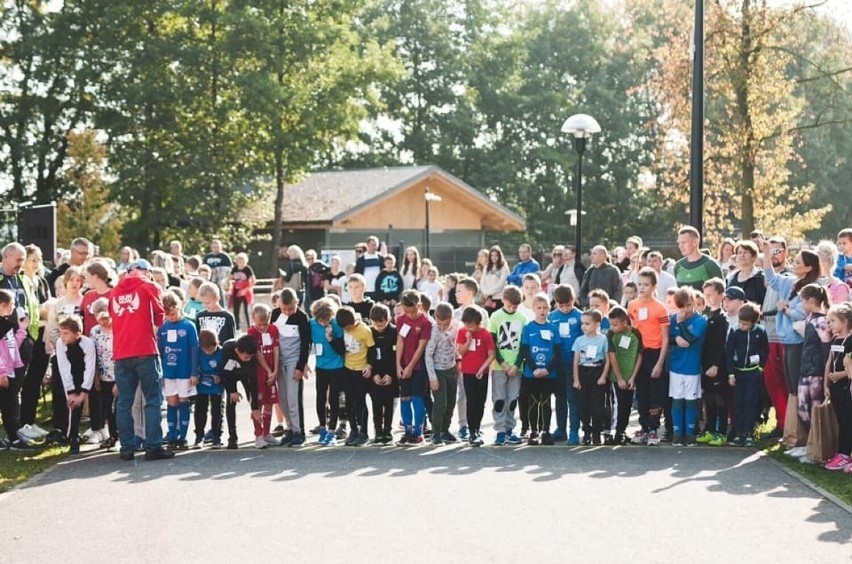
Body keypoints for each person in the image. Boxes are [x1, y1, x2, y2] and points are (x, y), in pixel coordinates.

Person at [109, 259, 173, 461]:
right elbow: (160, 315)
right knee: (153, 400)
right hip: (145, 349)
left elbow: (114, 317)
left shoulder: (115, 291)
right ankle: (153, 446)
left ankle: (127, 448)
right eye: (149, 272)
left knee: (124, 403)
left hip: (121, 352)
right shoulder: (149, 286)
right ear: (144, 271)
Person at [762, 243, 820, 451]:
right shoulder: (790, 283)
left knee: (797, 388)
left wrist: (785, 309)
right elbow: (772, 279)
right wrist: (767, 255)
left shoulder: (812, 288)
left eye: (798, 262)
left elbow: (803, 315)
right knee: (790, 387)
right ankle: (792, 434)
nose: (793, 264)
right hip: (786, 340)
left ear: (809, 268)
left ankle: (801, 437)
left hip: (798, 342)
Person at [628, 267, 670, 446]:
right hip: (639, 353)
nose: (642, 288)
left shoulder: (660, 308)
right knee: (642, 392)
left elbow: (665, 337)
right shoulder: (632, 305)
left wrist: (660, 363)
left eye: (646, 285)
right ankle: (644, 427)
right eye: (639, 284)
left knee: (655, 393)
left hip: (655, 352)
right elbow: (631, 330)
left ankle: (653, 428)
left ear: (654, 286)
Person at [44, 267, 85, 444]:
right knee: (60, 390)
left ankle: (74, 428)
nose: (75, 284)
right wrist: (60, 343)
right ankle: (60, 426)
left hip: (81, 353)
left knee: (77, 389)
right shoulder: (58, 304)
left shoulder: (84, 301)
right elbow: (51, 328)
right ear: (65, 282)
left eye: (79, 280)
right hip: (61, 351)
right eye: (72, 280)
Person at [158, 291, 199, 450]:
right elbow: (160, 351)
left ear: (179, 307)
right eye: (168, 315)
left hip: (184, 372)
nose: (171, 317)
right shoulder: (163, 327)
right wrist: (160, 373)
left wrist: (194, 373)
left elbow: (194, 350)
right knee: (171, 402)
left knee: (184, 402)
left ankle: (183, 436)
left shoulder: (189, 326)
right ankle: (172, 435)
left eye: (173, 313)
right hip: (168, 373)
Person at [271, 287, 311, 447]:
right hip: (278, 360)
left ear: (297, 302)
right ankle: (289, 428)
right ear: (279, 303)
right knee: (282, 398)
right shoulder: (274, 314)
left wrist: (300, 367)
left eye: (291, 309)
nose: (287, 312)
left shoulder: (302, 317)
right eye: (284, 309)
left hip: (294, 360)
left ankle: (298, 431)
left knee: (293, 397)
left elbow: (306, 344)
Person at [760, 237, 791, 436]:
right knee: (771, 381)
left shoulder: (788, 277)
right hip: (768, 334)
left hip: (782, 336)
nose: (774, 255)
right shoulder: (769, 277)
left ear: (786, 252)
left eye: (778, 251)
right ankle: (781, 422)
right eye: (770, 252)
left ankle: (788, 425)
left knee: (784, 381)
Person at [667, 287, 707, 446]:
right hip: (676, 366)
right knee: (677, 400)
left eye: (689, 305)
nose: (686, 309)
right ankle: (677, 433)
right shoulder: (672, 318)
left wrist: (681, 324)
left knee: (691, 400)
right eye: (682, 306)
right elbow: (667, 338)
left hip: (692, 367)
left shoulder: (700, 320)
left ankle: (690, 434)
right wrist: (675, 338)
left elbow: (691, 339)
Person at [726, 303, 769, 447]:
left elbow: (765, 351)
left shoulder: (761, 332)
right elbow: (729, 352)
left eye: (746, 324)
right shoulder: (735, 331)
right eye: (741, 322)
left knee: (750, 402)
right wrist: (731, 373)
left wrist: (760, 368)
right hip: (738, 373)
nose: (742, 326)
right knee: (738, 403)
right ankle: (739, 432)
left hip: (753, 374)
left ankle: (749, 431)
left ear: (754, 322)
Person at [520, 292, 561, 446]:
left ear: (549, 309)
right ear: (533, 308)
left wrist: (547, 369)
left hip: (549, 374)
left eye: (545, 308)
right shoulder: (528, 327)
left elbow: (557, 352)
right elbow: (525, 350)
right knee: (533, 402)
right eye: (539, 307)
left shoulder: (553, 328)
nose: (542, 310)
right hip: (532, 373)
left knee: (546, 402)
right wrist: (535, 368)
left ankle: (546, 431)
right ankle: (533, 432)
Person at [54, 315, 96, 454]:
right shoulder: (60, 344)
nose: (62, 336)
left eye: (66, 333)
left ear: (77, 333)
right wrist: (71, 392)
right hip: (69, 376)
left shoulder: (87, 344)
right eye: (61, 332)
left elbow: (90, 367)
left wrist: (83, 392)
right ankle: (72, 435)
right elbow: (64, 367)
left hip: (84, 374)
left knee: (93, 402)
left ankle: (98, 428)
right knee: (71, 404)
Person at [395, 289, 431, 445]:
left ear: (419, 305)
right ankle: (408, 432)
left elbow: (421, 347)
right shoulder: (401, 319)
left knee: (417, 399)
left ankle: (418, 432)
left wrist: (410, 366)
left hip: (419, 367)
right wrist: (398, 365)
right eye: (406, 311)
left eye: (412, 311)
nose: (409, 315)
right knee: (404, 399)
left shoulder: (425, 322)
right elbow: (400, 341)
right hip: (403, 366)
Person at [549, 284, 583, 445]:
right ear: (555, 303)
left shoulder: (580, 316)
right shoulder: (551, 317)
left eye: (568, 305)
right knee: (560, 398)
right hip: (557, 364)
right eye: (560, 305)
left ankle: (574, 430)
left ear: (573, 300)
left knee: (573, 398)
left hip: (573, 364)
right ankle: (560, 429)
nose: (564, 309)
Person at [456, 305, 495, 447]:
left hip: (482, 373)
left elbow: (491, 354)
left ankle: (477, 428)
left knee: (481, 402)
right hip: (468, 372)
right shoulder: (462, 332)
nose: (469, 328)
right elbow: (460, 351)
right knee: (471, 401)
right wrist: (468, 340)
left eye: (471, 325)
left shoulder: (485, 334)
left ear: (478, 322)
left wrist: (483, 368)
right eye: (466, 325)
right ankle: (472, 431)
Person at [698, 278, 730, 446]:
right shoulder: (706, 316)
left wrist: (716, 365)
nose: (708, 297)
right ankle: (709, 429)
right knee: (708, 398)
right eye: (706, 294)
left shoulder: (722, 318)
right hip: (705, 364)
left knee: (720, 399)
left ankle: (721, 432)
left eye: (711, 294)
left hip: (717, 366)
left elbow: (721, 344)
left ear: (721, 295)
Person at [335, 305, 374, 446]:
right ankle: (353, 431)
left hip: (361, 371)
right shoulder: (342, 328)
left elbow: (372, 349)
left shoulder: (364, 330)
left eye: (349, 327)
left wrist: (369, 365)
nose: (347, 329)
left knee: (360, 402)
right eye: (345, 328)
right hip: (347, 369)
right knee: (349, 402)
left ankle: (364, 432)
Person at [310, 298, 346, 446]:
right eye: (321, 320)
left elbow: (342, 349)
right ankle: (323, 428)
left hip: (337, 367)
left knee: (334, 398)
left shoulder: (336, 325)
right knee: (320, 397)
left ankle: (332, 431)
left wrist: (331, 338)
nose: (325, 323)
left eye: (327, 319)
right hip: (321, 366)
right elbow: (307, 344)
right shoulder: (311, 324)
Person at [572, 309, 610, 445]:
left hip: (597, 372)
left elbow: (608, 360)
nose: (584, 326)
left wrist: (603, 376)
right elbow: (576, 361)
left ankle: (596, 432)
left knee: (597, 406)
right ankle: (587, 431)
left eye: (587, 323)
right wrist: (576, 379)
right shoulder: (579, 340)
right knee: (583, 404)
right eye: (582, 323)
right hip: (583, 372)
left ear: (597, 324)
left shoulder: (603, 340)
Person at [606, 306, 642, 445]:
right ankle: (616, 431)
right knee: (618, 404)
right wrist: (619, 378)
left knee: (627, 405)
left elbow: (639, 355)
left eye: (615, 324)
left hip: (631, 376)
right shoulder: (611, 334)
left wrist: (633, 377)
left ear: (625, 323)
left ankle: (622, 430)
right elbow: (612, 356)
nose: (612, 327)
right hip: (616, 377)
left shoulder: (635, 334)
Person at [822, 303, 852, 471]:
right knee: (841, 420)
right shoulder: (835, 339)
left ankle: (845, 453)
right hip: (834, 387)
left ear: (845, 321)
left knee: (848, 421)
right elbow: (829, 362)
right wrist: (826, 383)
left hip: (846, 387)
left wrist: (840, 374)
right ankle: (841, 452)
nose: (830, 325)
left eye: (833, 321)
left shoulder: (851, 340)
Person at [247, 303, 281, 449]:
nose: (263, 327)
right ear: (253, 320)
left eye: (265, 323)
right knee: (258, 404)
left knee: (269, 403)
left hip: (271, 373)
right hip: (258, 373)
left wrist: (275, 370)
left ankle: (267, 433)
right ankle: (258, 435)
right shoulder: (251, 332)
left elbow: (276, 349)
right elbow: (257, 353)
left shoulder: (273, 329)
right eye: (259, 324)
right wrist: (268, 370)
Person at [425, 302, 459, 445]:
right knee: (441, 403)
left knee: (451, 402)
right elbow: (428, 355)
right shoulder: (434, 332)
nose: (443, 327)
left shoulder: (456, 327)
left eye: (446, 324)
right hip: (438, 370)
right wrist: (432, 378)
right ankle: (436, 433)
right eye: (440, 324)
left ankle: (445, 430)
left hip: (451, 369)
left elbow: (457, 344)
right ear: (435, 317)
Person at [0, 289, 29, 450]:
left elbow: (12, 347)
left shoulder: (6, 324)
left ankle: (13, 437)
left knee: (9, 406)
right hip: (3, 374)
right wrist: (2, 372)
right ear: (2, 305)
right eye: (11, 304)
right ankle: (14, 439)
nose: (13, 307)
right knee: (7, 407)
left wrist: (22, 330)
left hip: (10, 372)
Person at [221, 335, 262, 449]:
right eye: (246, 357)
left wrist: (255, 408)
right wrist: (232, 391)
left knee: (254, 399)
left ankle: (259, 435)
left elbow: (253, 382)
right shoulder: (228, 348)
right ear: (237, 351)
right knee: (231, 402)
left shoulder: (251, 357)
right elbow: (226, 373)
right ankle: (232, 437)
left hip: (245, 374)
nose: (249, 359)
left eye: (251, 357)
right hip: (230, 374)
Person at [89, 298, 117, 448]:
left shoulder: (118, 328)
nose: (102, 321)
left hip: (119, 374)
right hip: (103, 375)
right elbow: (93, 355)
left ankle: (124, 435)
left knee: (120, 407)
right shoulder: (95, 331)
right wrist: (95, 377)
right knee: (108, 408)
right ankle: (112, 436)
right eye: (98, 317)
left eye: (105, 317)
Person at [368, 303, 398, 444]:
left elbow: (397, 355)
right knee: (376, 405)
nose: (379, 327)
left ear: (389, 319)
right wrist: (373, 374)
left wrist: (391, 375)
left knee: (389, 404)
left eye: (382, 324)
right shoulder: (369, 332)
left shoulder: (394, 332)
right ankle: (378, 431)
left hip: (390, 375)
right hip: (375, 375)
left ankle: (387, 430)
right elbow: (368, 355)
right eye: (376, 324)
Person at [194, 329, 224, 449]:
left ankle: (216, 437)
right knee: (200, 410)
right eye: (204, 350)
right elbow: (194, 365)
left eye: (210, 349)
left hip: (216, 386)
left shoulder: (222, 352)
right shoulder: (199, 352)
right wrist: (196, 375)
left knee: (217, 410)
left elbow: (227, 368)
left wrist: (220, 377)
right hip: (202, 385)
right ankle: (199, 436)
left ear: (216, 344)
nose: (207, 352)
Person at [673, 226, 723, 291]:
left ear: (695, 242)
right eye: (679, 243)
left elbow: (721, 293)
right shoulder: (678, 266)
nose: (680, 246)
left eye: (684, 242)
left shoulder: (711, 265)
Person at [726, 240, 766, 305]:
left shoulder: (761, 278)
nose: (742, 255)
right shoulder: (731, 278)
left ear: (754, 256)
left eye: (745, 252)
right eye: (740, 252)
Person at [815, 240, 850, 304]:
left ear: (826, 263)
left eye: (816, 261)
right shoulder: (811, 282)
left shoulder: (840, 287)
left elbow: (838, 312)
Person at [229, 252, 255, 331]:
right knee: (236, 310)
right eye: (239, 260)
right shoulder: (234, 268)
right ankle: (237, 328)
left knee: (246, 310)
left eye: (242, 260)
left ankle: (249, 327)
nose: (240, 262)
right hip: (236, 290)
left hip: (245, 290)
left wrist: (245, 289)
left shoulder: (247, 269)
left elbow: (253, 281)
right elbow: (230, 278)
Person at [480, 245, 509, 313]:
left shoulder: (504, 267)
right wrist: (485, 293)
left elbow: (501, 284)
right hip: (488, 299)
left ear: (499, 256)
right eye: (492, 255)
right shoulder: (487, 267)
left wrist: (488, 293)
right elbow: (482, 282)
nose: (494, 257)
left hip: (499, 298)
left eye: (496, 255)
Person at [354, 236, 384, 300]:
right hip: (365, 290)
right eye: (372, 245)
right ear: (367, 245)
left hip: (378, 290)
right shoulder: (361, 259)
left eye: (376, 245)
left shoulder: (381, 258)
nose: (374, 247)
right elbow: (357, 274)